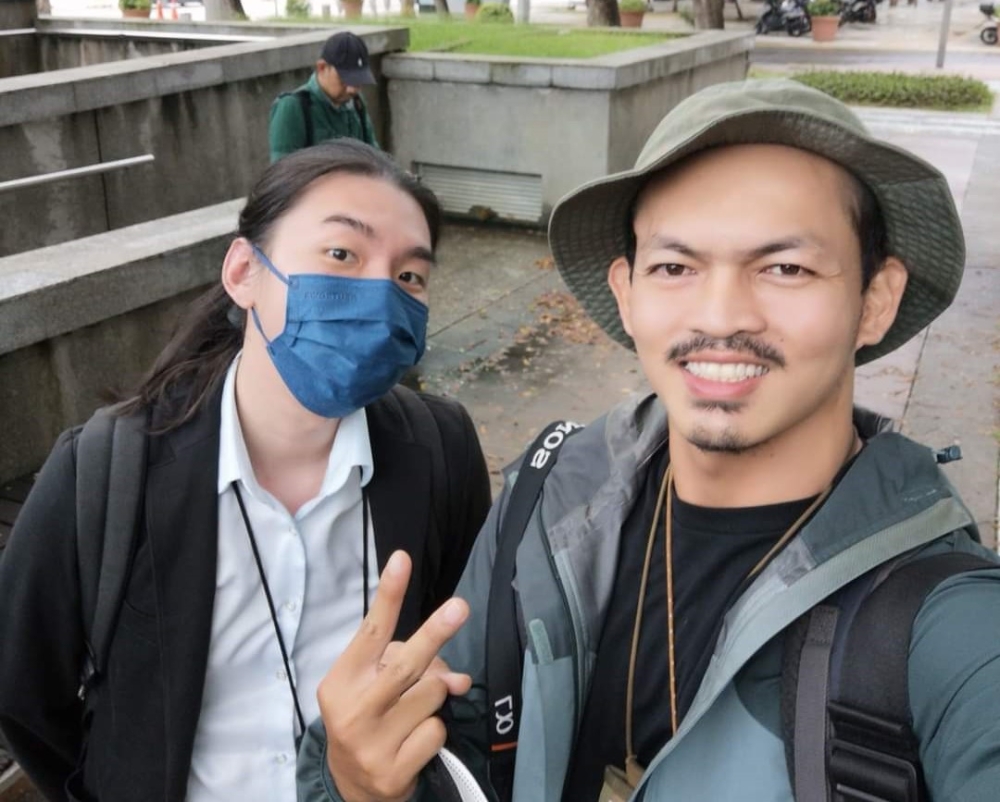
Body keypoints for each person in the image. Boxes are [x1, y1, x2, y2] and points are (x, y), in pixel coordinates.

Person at [295, 79, 1000, 801]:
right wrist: (360, 781)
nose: (722, 314)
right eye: (675, 267)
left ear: (874, 302)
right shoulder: (553, 498)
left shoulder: (950, 626)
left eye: (785, 267)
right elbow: (464, 743)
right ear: (628, 295)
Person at [0, 140, 491, 802]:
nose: (379, 295)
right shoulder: (104, 471)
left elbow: (462, 668)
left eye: (410, 276)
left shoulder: (442, 451)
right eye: (342, 254)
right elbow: (24, 693)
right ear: (243, 272)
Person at [269, 32, 380, 163]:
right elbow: (283, 172)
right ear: (322, 67)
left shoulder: (356, 103)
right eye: (345, 79)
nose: (352, 89)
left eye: (358, 81)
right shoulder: (293, 106)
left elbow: (374, 156)